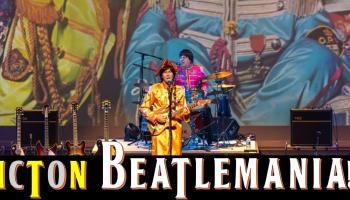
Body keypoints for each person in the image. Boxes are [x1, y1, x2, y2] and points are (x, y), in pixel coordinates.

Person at [139, 59, 190, 156]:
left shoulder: (179, 90)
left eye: (170, 72)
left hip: (175, 128)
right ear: (161, 75)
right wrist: (155, 117)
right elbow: (143, 108)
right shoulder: (154, 88)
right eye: (165, 72)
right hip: (159, 129)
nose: (168, 74)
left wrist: (183, 112)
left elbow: (184, 110)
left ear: (174, 74)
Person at [175, 49, 213, 144]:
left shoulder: (199, 69)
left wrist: (204, 89)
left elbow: (204, 82)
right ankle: (182, 135)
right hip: (181, 97)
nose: (181, 59)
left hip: (195, 95)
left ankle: (200, 134)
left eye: (184, 57)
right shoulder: (177, 70)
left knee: (202, 111)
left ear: (190, 59)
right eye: (180, 57)